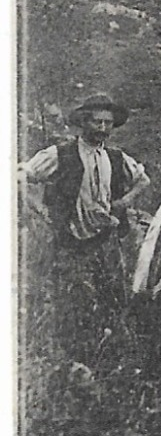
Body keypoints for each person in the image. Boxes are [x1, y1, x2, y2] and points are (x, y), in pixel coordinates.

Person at [20, 91, 152, 359]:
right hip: (72, 241)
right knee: (75, 301)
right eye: (96, 122)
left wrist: (124, 202)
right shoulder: (60, 154)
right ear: (83, 122)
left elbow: (143, 180)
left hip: (106, 240)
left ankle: (113, 355)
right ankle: (75, 357)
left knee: (114, 298)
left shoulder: (115, 157)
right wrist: (43, 212)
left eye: (107, 123)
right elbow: (22, 176)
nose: (103, 128)